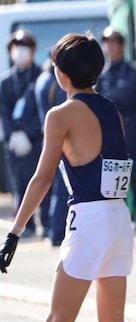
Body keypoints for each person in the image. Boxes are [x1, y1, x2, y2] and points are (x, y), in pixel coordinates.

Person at [0, 33, 136, 322]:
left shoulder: (61, 114)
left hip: (88, 219)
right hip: (118, 218)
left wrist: (14, 231)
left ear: (61, 75)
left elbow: (42, 177)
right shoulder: (112, 109)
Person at [95, 27, 136, 229]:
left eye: (114, 43)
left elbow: (126, 95)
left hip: (132, 132)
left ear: (122, 46)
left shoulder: (131, 71)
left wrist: (110, 97)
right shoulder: (103, 74)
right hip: (110, 134)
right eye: (107, 43)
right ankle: (119, 216)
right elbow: (100, 98)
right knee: (113, 176)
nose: (110, 47)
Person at [0, 30, 46, 238]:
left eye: (24, 47)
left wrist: (29, 133)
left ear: (33, 51)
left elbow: (43, 109)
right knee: (18, 184)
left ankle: (47, 223)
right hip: (14, 143)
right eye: (15, 48)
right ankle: (26, 226)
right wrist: (13, 135)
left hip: (37, 140)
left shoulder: (41, 76)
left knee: (42, 180)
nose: (19, 52)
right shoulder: (6, 81)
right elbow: (4, 112)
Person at [34, 58, 68, 246]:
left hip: (48, 138)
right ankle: (56, 233)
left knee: (52, 187)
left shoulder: (41, 81)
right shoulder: (52, 84)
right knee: (61, 189)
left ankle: (51, 230)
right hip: (60, 140)